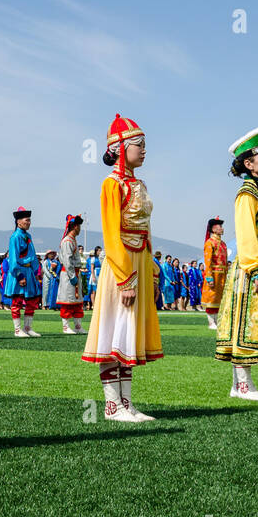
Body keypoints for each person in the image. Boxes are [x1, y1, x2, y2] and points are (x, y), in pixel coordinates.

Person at [81, 115, 162, 421]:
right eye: (139, 145)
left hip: (140, 260)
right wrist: (126, 277)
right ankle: (112, 405)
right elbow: (111, 234)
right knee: (114, 330)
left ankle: (127, 403)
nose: (144, 150)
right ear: (119, 147)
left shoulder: (139, 184)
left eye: (144, 145)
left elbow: (147, 230)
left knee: (129, 334)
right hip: (121, 265)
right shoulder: (111, 184)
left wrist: (152, 272)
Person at [215, 127, 258, 399]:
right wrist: (257, 270)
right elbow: (246, 236)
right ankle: (243, 384)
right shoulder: (248, 194)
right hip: (251, 268)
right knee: (244, 323)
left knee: (253, 322)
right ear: (249, 163)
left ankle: (239, 384)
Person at [4, 207, 41, 337]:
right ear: (19, 222)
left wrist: (35, 272)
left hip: (29, 270)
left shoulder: (27, 236)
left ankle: (28, 328)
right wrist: (19, 276)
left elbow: (33, 254)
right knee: (17, 301)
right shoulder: (15, 237)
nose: (29, 222)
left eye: (30, 220)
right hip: (19, 272)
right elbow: (13, 259)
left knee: (32, 300)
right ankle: (17, 330)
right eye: (27, 220)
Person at [56, 214, 87, 334]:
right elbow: (67, 260)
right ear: (75, 226)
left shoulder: (72, 240)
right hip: (69, 274)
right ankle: (66, 326)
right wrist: (72, 276)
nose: (80, 228)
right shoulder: (67, 241)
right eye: (78, 226)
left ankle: (78, 326)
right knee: (68, 300)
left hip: (75, 272)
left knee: (76, 300)